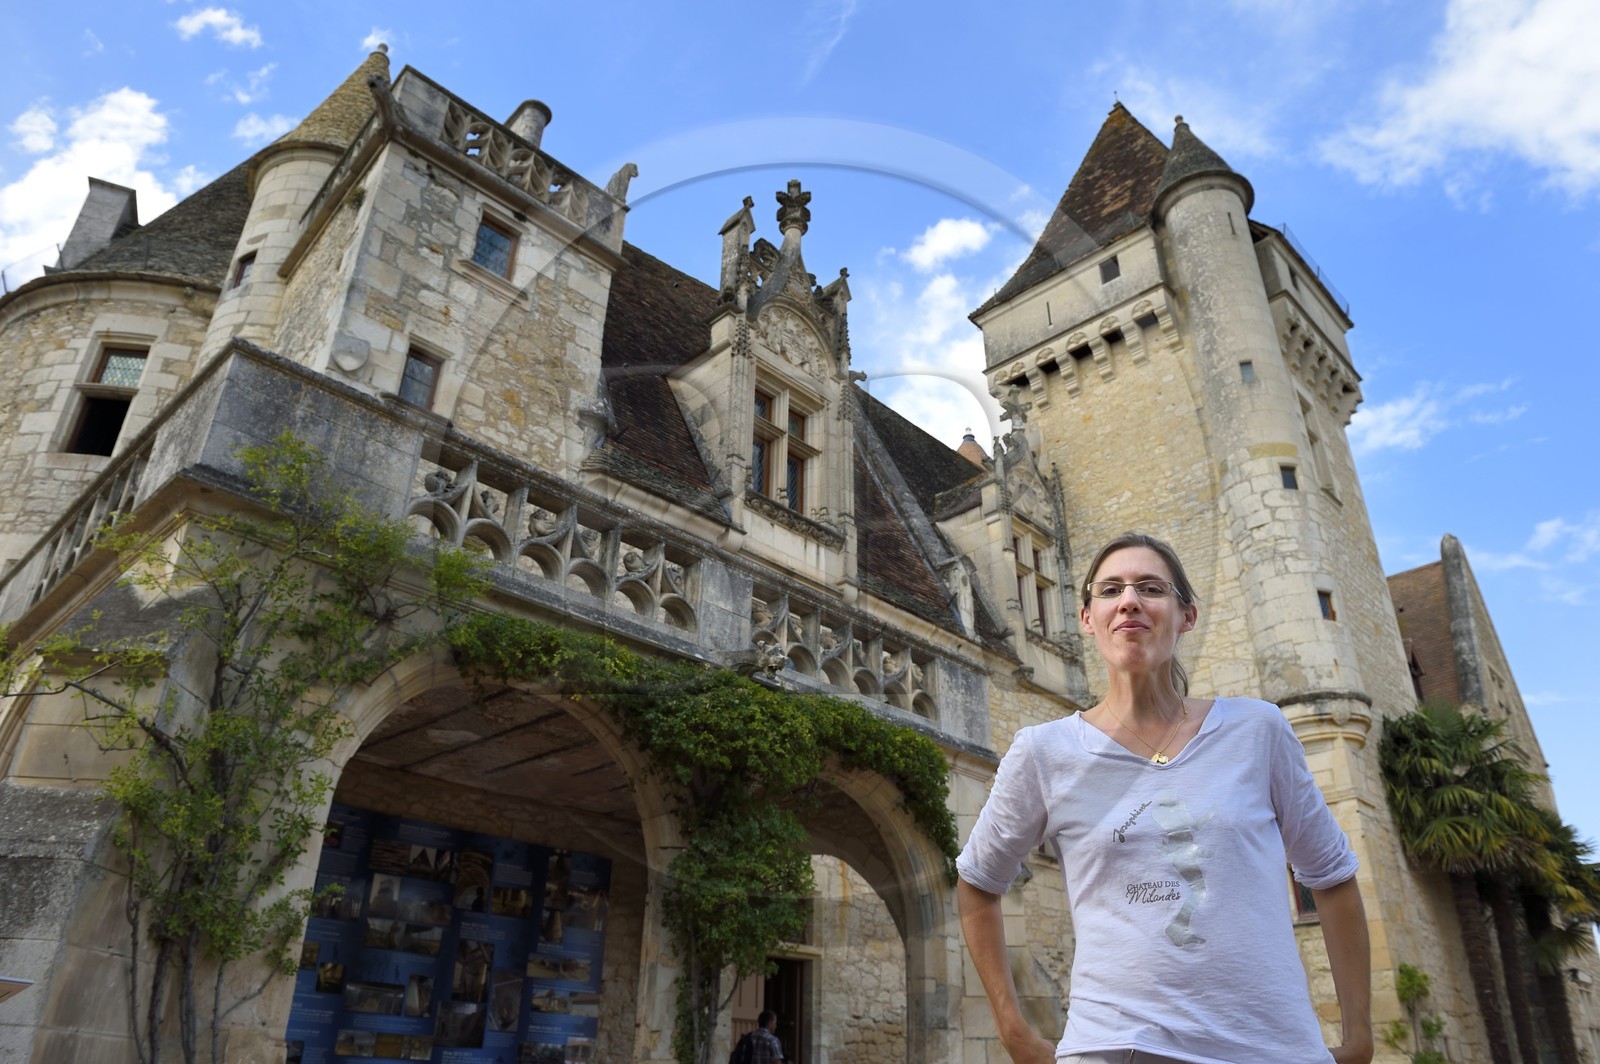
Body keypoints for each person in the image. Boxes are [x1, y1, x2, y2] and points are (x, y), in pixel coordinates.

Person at [957, 532, 1373, 1064]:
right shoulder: (1044, 753)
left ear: (1187, 616)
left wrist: (1358, 1037)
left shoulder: (1257, 730)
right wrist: (1014, 1033)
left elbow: (1333, 876)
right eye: (1110, 590)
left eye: (1150, 587)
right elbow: (976, 886)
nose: (1129, 600)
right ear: (1088, 618)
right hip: (1117, 1047)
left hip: (1274, 1047)